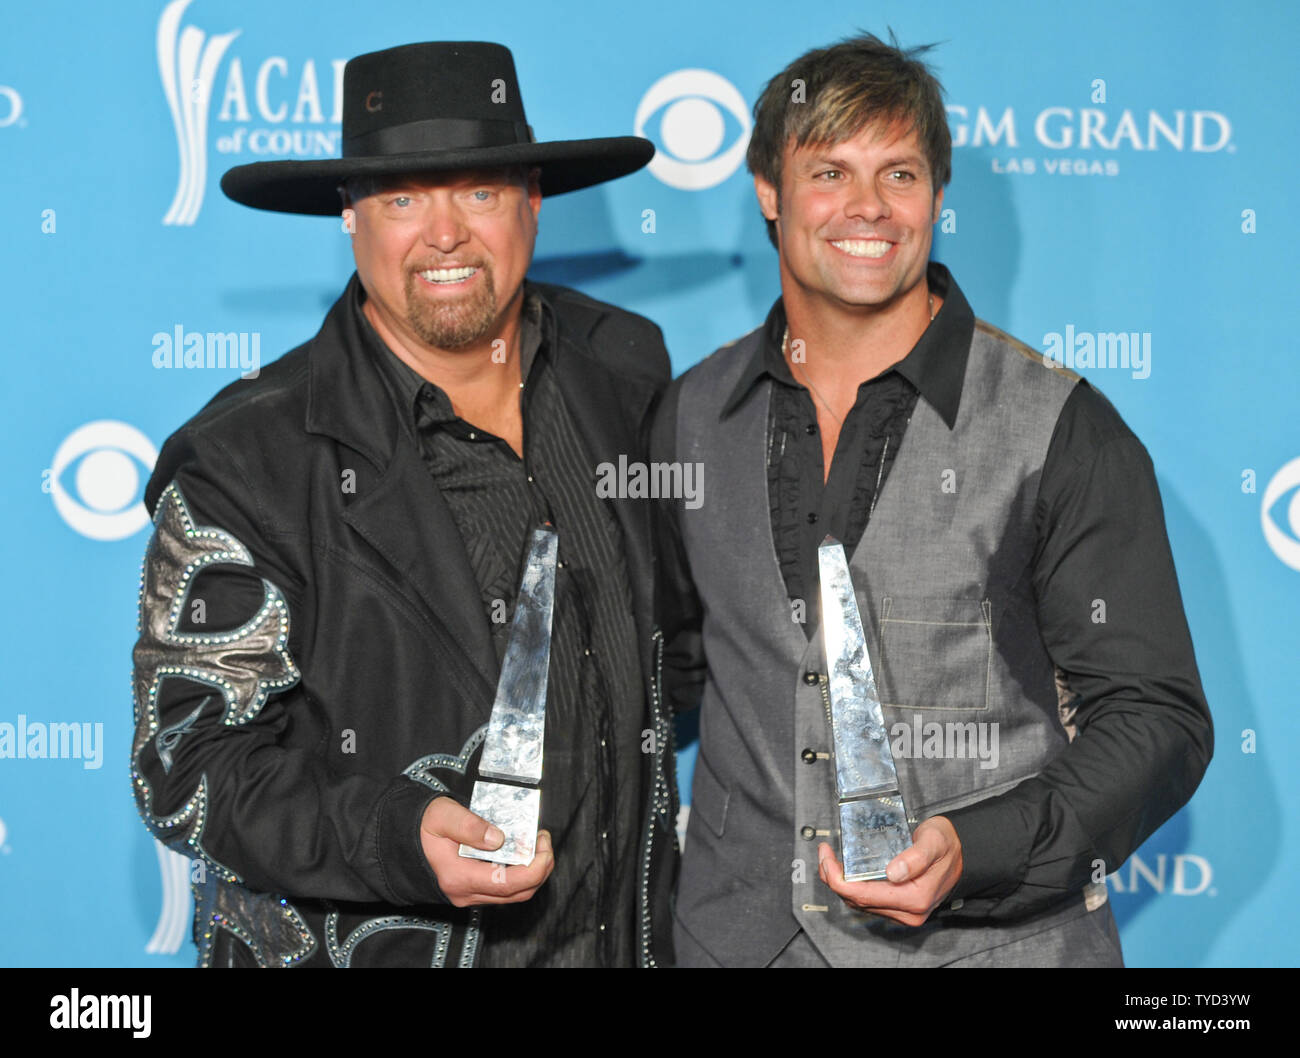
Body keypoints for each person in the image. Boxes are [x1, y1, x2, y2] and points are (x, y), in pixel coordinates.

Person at [653, 32, 1213, 967]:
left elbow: (1155, 720)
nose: (867, 207)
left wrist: (975, 847)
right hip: (733, 943)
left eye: (900, 173)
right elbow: (667, 667)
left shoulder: (1062, 425)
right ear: (768, 191)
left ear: (937, 197)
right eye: (829, 170)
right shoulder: (690, 413)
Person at [131, 41, 678, 968]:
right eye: (402, 199)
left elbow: (683, 643)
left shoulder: (624, 372)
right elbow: (187, 768)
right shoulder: (246, 458)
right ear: (351, 218)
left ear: (532, 200)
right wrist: (395, 836)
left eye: (479, 192)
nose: (446, 234)